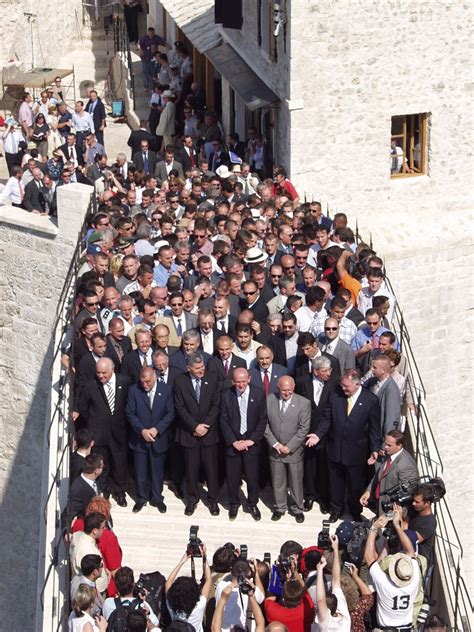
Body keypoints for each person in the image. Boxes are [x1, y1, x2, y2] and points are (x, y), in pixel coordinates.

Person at [314, 369, 381, 522]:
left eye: (346, 386)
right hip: (335, 449)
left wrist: (375, 449)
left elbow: (374, 428)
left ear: (357, 384)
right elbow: (327, 419)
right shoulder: (335, 395)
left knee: (355, 486)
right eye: (342, 385)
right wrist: (318, 435)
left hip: (357, 452)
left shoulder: (371, 400)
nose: (343, 389)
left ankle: (355, 511)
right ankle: (336, 509)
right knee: (335, 483)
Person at [77, 358, 131, 505]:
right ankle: (104, 491)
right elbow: (83, 407)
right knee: (101, 464)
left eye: (104, 373)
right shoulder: (91, 386)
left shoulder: (125, 382)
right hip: (99, 433)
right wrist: (96, 422)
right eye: (98, 373)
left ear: (112, 369)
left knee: (119, 464)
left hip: (119, 432)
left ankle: (120, 492)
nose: (101, 376)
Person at [173, 352, 221, 516]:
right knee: (191, 470)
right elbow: (180, 408)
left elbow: (216, 405)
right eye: (197, 368)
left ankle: (213, 500)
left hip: (209, 433)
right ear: (188, 368)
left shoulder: (213, 378)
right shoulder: (180, 381)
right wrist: (195, 426)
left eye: (202, 367)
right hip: (189, 433)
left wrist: (205, 425)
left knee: (212, 470)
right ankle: (192, 499)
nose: (201, 370)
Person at [219, 367, 268, 520]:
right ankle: (234, 503)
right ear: (233, 381)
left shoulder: (258, 394)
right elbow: (223, 420)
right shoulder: (226, 395)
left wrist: (251, 440)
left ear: (249, 379)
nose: (240, 385)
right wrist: (234, 441)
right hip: (233, 443)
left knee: (252, 477)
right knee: (233, 477)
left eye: (243, 381)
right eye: (237, 382)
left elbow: (262, 420)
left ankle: (252, 503)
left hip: (251, 443)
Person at [126, 367, 174, 513]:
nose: (145, 385)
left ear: (155, 377)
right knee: (140, 471)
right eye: (142, 382)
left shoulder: (166, 390)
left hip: (158, 438)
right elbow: (130, 413)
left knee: (157, 471)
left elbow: (170, 413)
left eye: (148, 382)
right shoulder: (134, 390)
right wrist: (142, 430)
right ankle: (141, 498)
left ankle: (157, 498)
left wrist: (156, 429)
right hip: (140, 438)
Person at [265, 376, 311, 523]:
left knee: (296, 481)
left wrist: (289, 446)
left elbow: (304, 429)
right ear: (278, 388)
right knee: (278, 480)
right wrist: (275, 444)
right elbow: (264, 424)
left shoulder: (303, 403)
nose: (286, 393)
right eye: (284, 390)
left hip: (294, 450)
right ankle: (280, 507)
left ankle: (298, 508)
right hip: (275, 450)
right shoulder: (269, 399)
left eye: (289, 390)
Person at [296, 355, 338, 514]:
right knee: (309, 466)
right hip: (307, 432)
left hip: (326, 433)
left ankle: (323, 497)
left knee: (324, 467)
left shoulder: (334, 383)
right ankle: (309, 495)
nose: (329, 373)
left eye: (329, 370)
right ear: (315, 371)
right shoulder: (302, 382)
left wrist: (320, 433)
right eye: (325, 370)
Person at [365, 510, 420, 629]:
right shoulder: (414, 581)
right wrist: (397, 525)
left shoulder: (385, 584)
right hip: (406, 628)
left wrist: (374, 528)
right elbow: (411, 552)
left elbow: (369, 558)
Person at [360, 430, 418, 515]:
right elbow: (380, 474)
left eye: (389, 445)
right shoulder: (390, 454)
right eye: (385, 443)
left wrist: (391, 516)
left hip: (391, 512)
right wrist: (368, 491)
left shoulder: (406, 465)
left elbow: (406, 495)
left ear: (399, 446)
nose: (385, 447)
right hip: (380, 506)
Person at [165, 546, 212, 632]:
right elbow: (208, 580)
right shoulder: (199, 605)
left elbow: (168, 583)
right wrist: (204, 557)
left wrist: (182, 562)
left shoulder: (171, 604)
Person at [313, 536, 350, 632]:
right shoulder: (344, 618)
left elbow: (321, 600)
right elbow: (336, 581)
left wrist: (320, 570)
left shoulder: (326, 623)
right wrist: (335, 550)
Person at [69, 512, 109, 594]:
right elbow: (89, 576)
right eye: (103, 527)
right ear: (94, 531)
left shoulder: (77, 535)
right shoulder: (89, 552)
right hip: (91, 593)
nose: (105, 529)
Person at [365, 354, 402, 435]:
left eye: (375, 367)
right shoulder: (372, 382)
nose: (372, 369)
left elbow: (391, 418)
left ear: (383, 370)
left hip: (380, 436)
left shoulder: (392, 390)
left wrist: (386, 444)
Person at [408, 483, 438, 563]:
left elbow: (410, 541)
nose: (413, 503)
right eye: (413, 500)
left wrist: (398, 523)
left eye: (417, 502)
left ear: (427, 503)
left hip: (417, 560)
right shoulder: (415, 512)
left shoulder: (429, 523)